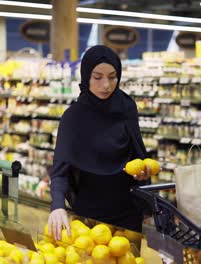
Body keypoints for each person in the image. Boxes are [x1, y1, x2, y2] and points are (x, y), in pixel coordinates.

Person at [48, 45, 151, 240]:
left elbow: (138, 154)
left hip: (128, 212)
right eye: (98, 77)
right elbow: (60, 170)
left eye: (112, 77)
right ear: (86, 76)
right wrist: (58, 207)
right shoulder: (74, 117)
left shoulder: (127, 107)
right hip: (88, 214)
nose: (106, 85)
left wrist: (142, 174)